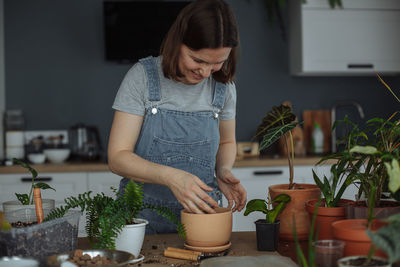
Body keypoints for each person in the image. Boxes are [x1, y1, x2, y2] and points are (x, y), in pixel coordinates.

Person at [108, 0, 247, 234]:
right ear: (178, 42)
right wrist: (172, 177)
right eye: (198, 60)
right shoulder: (142, 77)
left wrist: (223, 170)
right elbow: (117, 157)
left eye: (217, 63)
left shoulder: (224, 87)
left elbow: (226, 141)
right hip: (139, 220)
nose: (205, 72)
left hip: (202, 219)